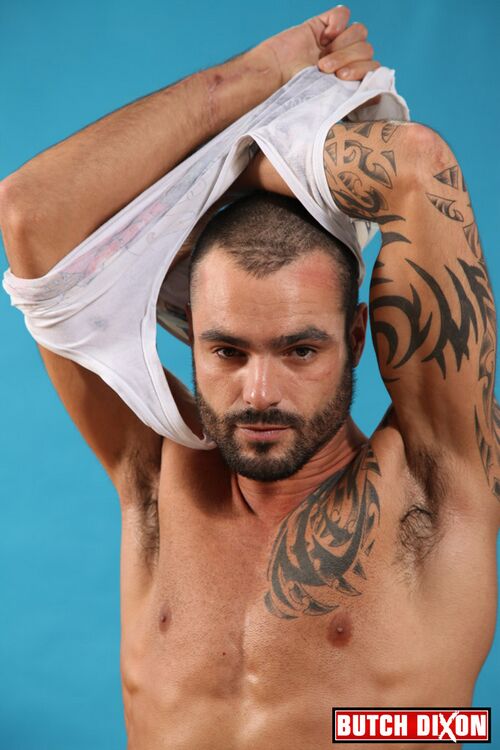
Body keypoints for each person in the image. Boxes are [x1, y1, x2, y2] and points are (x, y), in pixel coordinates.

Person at [0, 6, 498, 750]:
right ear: (189, 336)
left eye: (299, 351)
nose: (259, 394)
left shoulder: (433, 484)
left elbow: (418, 170)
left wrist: (241, 164)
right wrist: (257, 78)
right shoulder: (157, 478)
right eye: (228, 352)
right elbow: (30, 213)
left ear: (354, 338)